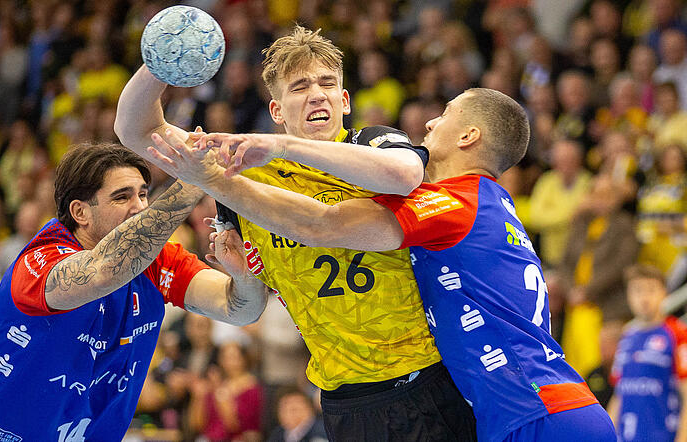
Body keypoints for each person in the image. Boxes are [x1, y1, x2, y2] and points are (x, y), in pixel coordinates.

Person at [146, 87, 617, 442]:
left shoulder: (456, 202)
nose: (430, 123)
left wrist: (235, 170)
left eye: (446, 115)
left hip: (536, 413)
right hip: (528, 411)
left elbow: (327, 224)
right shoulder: (490, 202)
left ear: (469, 136)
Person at [116, 25, 476, 440]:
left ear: (344, 101)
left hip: (428, 381)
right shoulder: (243, 171)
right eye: (300, 87)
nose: (317, 93)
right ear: (276, 112)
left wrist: (282, 147)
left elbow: (406, 175)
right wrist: (164, 58)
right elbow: (135, 130)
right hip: (343, 400)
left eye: (327, 83)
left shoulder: (372, 143)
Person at [0, 142, 269, 441]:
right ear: (80, 212)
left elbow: (241, 308)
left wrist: (244, 274)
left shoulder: (157, 261)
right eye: (122, 197)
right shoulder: (39, 262)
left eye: (143, 194)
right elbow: (104, 271)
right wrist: (195, 178)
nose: (139, 207)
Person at [607, 264, 687, 442]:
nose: (644, 298)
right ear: (628, 296)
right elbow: (618, 395)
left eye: (651, 290)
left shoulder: (677, 334)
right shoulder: (627, 337)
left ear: (664, 293)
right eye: (638, 291)